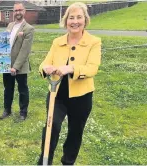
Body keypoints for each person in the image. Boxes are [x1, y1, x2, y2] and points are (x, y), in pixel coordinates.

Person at [38, 2, 102, 165]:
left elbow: (92, 68)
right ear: (66, 21)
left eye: (79, 17)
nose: (75, 21)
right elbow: (44, 63)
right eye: (71, 18)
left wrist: (71, 68)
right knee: (51, 128)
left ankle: (68, 161)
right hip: (56, 94)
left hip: (82, 96)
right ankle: (45, 160)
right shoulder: (57, 42)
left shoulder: (94, 42)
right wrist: (46, 68)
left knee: (75, 132)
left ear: (85, 20)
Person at [0, 2, 34, 121]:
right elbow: (2, 43)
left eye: (20, 10)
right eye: (16, 10)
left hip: (20, 66)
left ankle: (23, 113)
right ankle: (7, 110)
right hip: (7, 64)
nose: (18, 12)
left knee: (22, 90)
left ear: (24, 11)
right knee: (8, 88)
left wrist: (16, 67)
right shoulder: (10, 25)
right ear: (13, 12)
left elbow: (25, 50)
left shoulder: (28, 29)